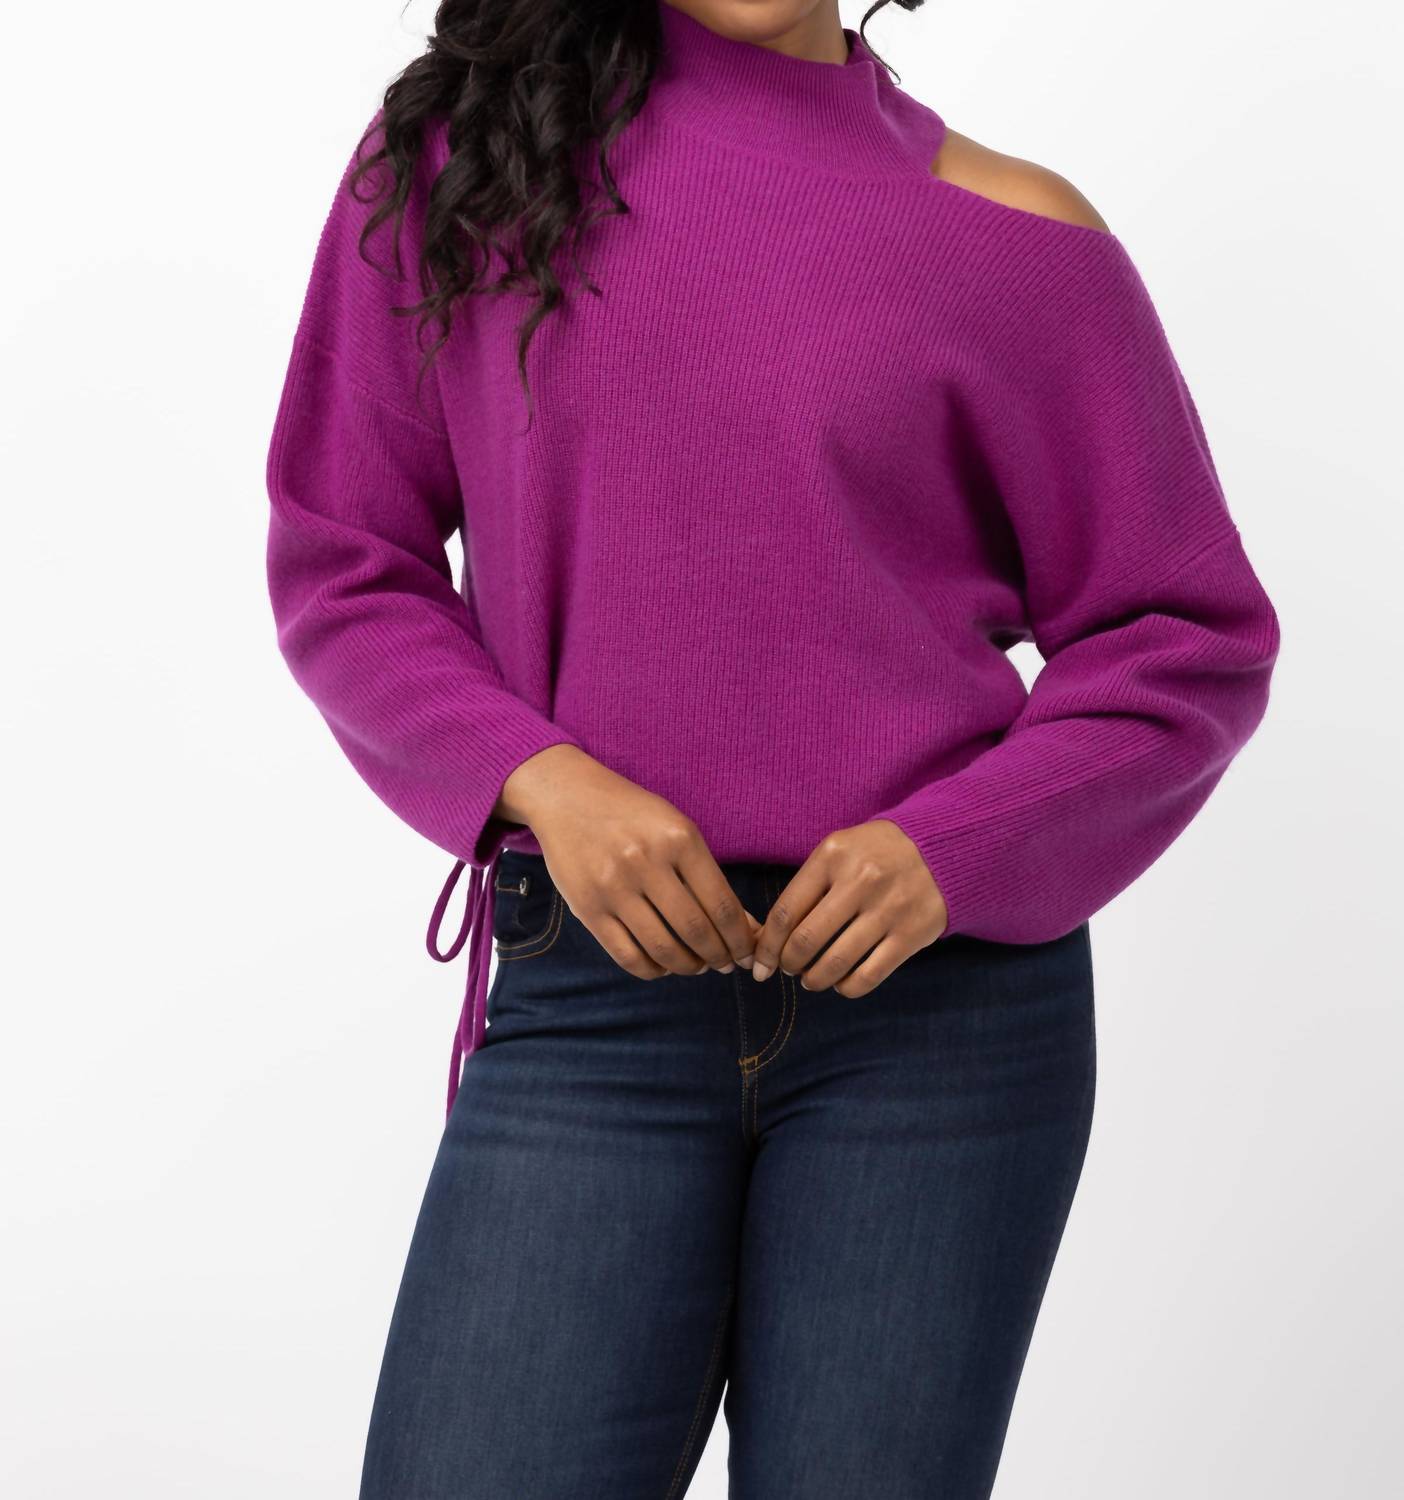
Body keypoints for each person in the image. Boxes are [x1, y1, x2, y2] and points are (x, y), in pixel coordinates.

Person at [263, 2, 1281, 1495]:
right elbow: (347, 561)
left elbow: (1185, 638)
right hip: (595, 1005)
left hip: (942, 1026)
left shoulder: (1021, 238)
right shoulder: (466, 163)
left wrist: (954, 847)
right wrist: (541, 778)